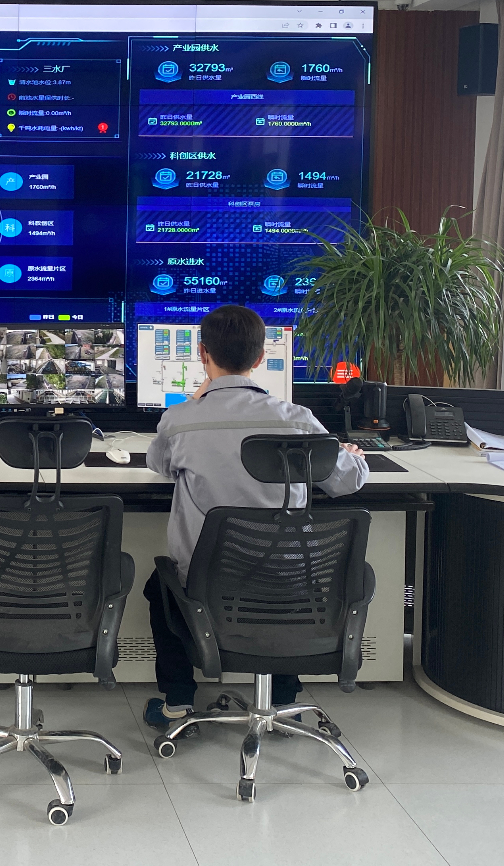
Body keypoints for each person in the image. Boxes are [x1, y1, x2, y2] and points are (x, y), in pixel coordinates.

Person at [142, 304, 368, 728]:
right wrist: (352, 455)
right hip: (289, 580)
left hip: (207, 584)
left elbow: (158, 464)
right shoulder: (298, 420)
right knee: (282, 571)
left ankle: (178, 701)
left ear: (202, 353)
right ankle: (282, 697)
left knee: (162, 586)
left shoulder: (180, 421)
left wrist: (196, 400)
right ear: (262, 357)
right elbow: (347, 482)